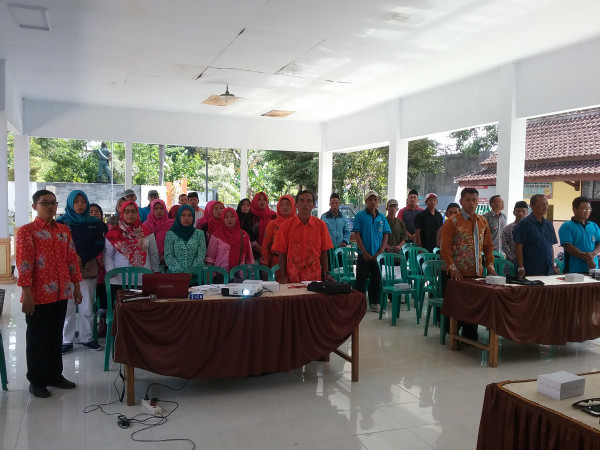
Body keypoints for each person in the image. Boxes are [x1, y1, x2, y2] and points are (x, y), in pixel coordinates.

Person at [16, 189, 82, 398]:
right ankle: (36, 381)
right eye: (45, 203)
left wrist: (77, 287)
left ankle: (55, 375)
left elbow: (72, 259)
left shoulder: (64, 230)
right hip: (37, 295)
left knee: (55, 336)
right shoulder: (27, 231)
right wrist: (26, 293)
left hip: (61, 293)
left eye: (53, 202)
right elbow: (24, 264)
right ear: (35, 206)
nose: (50, 206)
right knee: (37, 339)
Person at [440, 187, 496, 340]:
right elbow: (445, 247)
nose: (471, 204)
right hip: (455, 273)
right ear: (461, 201)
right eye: (468, 200)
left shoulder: (483, 221)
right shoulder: (453, 221)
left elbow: (488, 246)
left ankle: (470, 336)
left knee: (473, 306)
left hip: (476, 272)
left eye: (474, 200)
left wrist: (489, 265)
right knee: (456, 306)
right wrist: (452, 266)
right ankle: (452, 335)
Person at [56, 190, 105, 354]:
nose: (80, 205)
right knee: (67, 306)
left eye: (83, 201)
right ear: (70, 203)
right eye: (76, 202)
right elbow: (56, 244)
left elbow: (99, 244)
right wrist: (71, 259)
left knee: (87, 305)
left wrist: (82, 258)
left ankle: (87, 338)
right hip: (65, 269)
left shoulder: (94, 223)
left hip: (86, 268)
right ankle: (66, 340)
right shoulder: (61, 223)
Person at [272, 190, 334, 283]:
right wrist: (284, 276)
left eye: (309, 201)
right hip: (292, 277)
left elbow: (324, 252)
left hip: (314, 278)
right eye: (301, 200)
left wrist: (326, 274)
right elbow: (282, 253)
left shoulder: (321, 225)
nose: (305, 204)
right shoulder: (286, 226)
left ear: (314, 205)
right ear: (296, 204)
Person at [104, 201, 160, 287]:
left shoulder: (147, 231)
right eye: (127, 211)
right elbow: (108, 255)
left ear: (138, 213)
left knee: (142, 300)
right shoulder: (113, 233)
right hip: (119, 279)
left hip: (143, 278)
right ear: (122, 213)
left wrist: (155, 271)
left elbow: (153, 254)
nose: (130, 214)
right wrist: (111, 270)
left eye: (134, 211)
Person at [352, 190, 391, 312]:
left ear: (378, 202)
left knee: (376, 280)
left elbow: (386, 235)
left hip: (377, 256)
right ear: (366, 201)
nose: (373, 202)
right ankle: (359, 305)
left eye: (375, 199)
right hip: (364, 255)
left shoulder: (382, 217)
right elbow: (357, 235)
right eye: (370, 199)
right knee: (361, 281)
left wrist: (380, 252)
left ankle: (375, 303)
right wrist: (364, 252)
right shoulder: (360, 216)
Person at [514, 194, 559, 276]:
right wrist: (521, 267)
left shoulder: (548, 224)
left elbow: (550, 246)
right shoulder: (524, 224)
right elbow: (518, 246)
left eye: (546, 204)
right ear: (532, 206)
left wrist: (553, 266)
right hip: (531, 270)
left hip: (548, 270)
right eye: (542, 204)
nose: (545, 207)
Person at [205, 208, 254, 275]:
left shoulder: (244, 235)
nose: (229, 219)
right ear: (222, 219)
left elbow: (249, 257)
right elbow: (210, 258)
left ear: (236, 218)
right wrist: (209, 275)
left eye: (232, 216)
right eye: (226, 217)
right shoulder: (216, 235)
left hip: (239, 275)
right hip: (220, 274)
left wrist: (252, 274)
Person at [558, 196, 600, 273]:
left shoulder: (594, 226)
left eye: (589, 209)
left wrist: (593, 254)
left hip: (593, 270)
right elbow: (568, 246)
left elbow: (599, 243)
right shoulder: (566, 226)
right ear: (574, 209)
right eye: (584, 209)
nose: (587, 211)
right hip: (572, 270)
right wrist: (588, 259)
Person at [164, 205, 207, 273]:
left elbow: (201, 255)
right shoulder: (170, 234)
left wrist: (191, 271)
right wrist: (181, 272)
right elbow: (169, 255)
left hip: (196, 274)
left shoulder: (199, 234)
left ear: (193, 217)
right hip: (175, 275)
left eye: (189, 215)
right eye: (183, 215)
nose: (186, 218)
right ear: (178, 217)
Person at [89, 203, 109, 338]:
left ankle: (103, 325)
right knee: (90, 302)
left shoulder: (106, 228)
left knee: (104, 299)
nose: (94, 213)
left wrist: (104, 259)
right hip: (91, 267)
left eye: (97, 211)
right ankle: (91, 329)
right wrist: (97, 257)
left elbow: (108, 247)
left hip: (105, 269)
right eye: (91, 211)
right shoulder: (85, 228)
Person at [261, 195, 296, 267]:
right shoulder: (272, 224)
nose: (284, 207)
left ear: (293, 206)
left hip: (295, 262)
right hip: (276, 262)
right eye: (282, 204)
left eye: (287, 204)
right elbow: (266, 245)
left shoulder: (298, 223)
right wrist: (265, 263)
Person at [143, 198, 174, 265]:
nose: (159, 211)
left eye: (161, 208)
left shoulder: (171, 225)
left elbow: (174, 243)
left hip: (168, 260)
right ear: (152, 210)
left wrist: (165, 256)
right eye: (156, 209)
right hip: (149, 260)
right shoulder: (146, 225)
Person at [249, 192, 276, 260]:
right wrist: (259, 249)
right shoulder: (249, 216)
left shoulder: (274, 216)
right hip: (253, 254)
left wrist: (267, 250)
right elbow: (247, 235)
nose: (262, 201)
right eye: (259, 199)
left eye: (264, 199)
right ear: (255, 201)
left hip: (271, 253)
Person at [500, 201, 529, 266]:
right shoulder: (507, 229)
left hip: (529, 263)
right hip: (511, 264)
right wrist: (515, 259)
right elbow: (504, 245)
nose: (521, 214)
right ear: (514, 213)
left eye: (523, 211)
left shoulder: (531, 228)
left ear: (527, 213)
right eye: (518, 211)